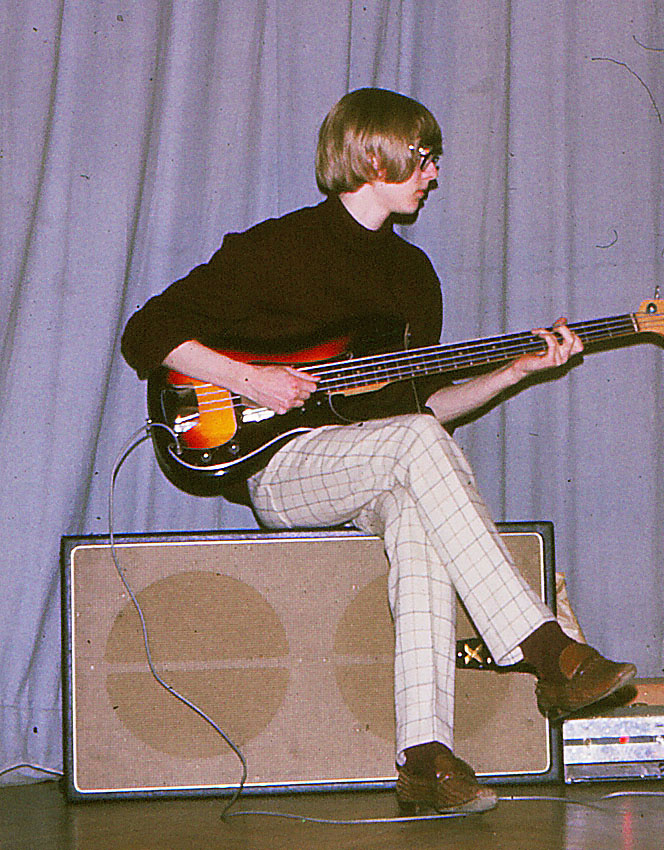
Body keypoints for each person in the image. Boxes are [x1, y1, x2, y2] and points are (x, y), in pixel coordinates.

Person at [121, 87, 636, 815]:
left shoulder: (412, 278)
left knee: (417, 516)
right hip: (276, 465)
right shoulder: (279, 247)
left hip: (372, 458)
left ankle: (423, 759)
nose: (433, 174)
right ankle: (539, 644)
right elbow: (148, 332)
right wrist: (251, 379)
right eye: (423, 159)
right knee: (416, 453)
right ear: (372, 155)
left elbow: (416, 412)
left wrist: (512, 370)